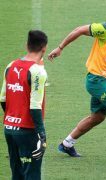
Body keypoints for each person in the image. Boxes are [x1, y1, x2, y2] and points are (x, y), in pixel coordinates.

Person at [47, 3, 106, 159]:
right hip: (96, 79)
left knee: (97, 117)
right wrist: (60, 48)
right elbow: (79, 30)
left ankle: (66, 144)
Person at [0, 30, 48, 180]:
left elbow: (2, 98)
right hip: (27, 132)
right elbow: (35, 105)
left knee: (17, 174)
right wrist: (42, 135)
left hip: (9, 130)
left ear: (26, 45)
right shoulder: (38, 72)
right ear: (44, 48)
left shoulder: (10, 66)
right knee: (31, 174)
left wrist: (13, 119)